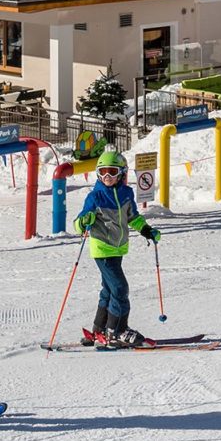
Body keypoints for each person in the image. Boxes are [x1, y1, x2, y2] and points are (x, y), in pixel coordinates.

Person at [75, 147, 162, 349]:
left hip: (118, 248)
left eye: (112, 172)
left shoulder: (125, 193)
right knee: (120, 289)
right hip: (102, 248)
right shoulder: (95, 197)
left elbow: (132, 217)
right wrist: (84, 221)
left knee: (109, 290)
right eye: (103, 171)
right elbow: (78, 223)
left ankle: (99, 329)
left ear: (121, 173)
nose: (107, 176)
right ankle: (117, 331)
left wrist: (147, 231)